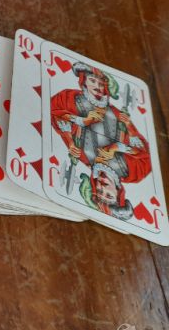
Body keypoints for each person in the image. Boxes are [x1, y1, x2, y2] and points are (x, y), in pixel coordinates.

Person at [50, 62, 151, 219]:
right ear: (118, 191)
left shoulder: (83, 156)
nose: (102, 187)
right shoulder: (131, 172)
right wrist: (116, 147)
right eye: (108, 195)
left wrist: (78, 125)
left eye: (99, 191)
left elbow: (57, 117)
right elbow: (145, 153)